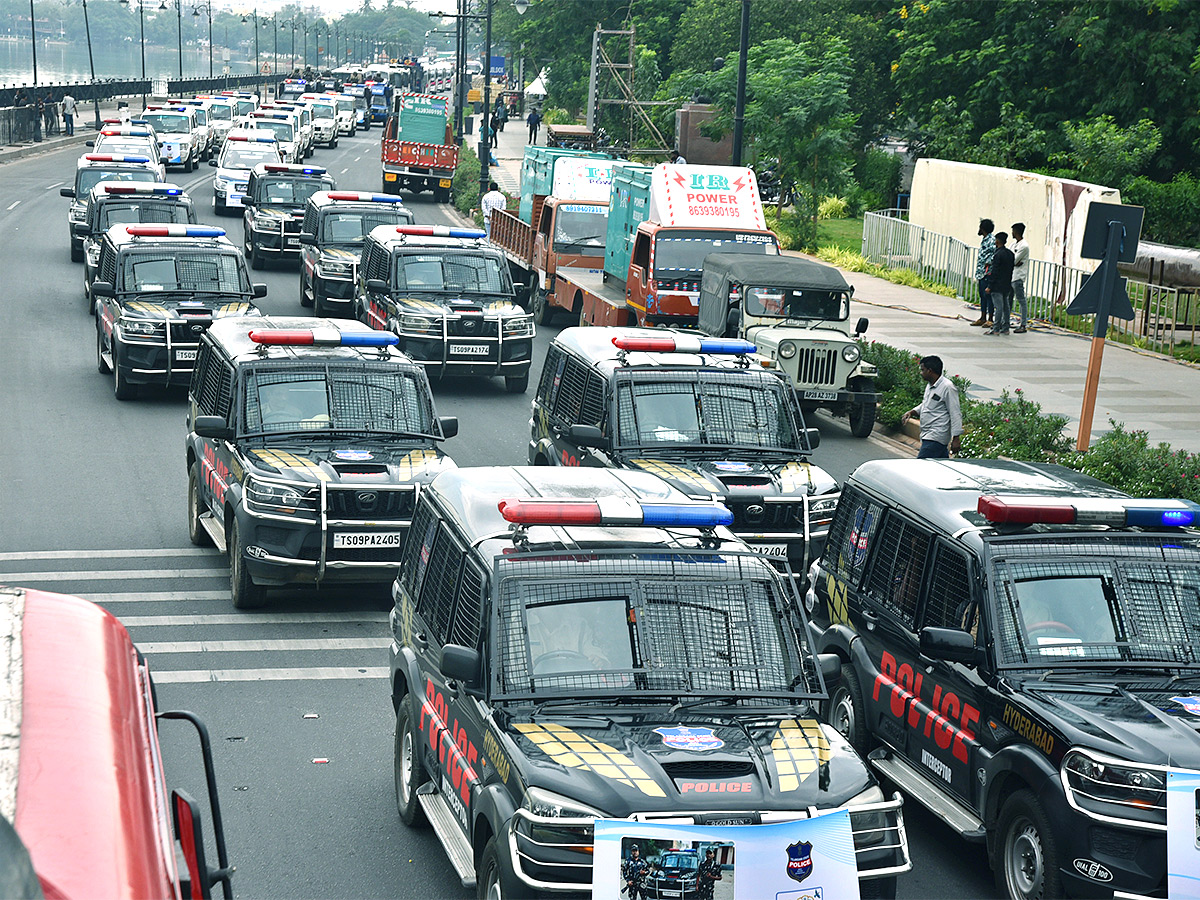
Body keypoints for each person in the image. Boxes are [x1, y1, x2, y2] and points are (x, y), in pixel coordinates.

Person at [901, 355, 963, 459]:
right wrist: (912, 412)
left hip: (936, 436)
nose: (921, 373)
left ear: (930, 371)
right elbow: (926, 405)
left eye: (922, 370)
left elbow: (955, 413)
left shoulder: (948, 387)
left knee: (922, 465)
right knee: (939, 468)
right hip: (927, 435)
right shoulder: (930, 385)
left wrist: (956, 438)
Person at [986, 231, 1015, 335]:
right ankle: (1006, 327)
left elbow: (995, 271)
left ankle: (996, 328)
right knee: (1006, 306)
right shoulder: (1010, 254)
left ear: (997, 241)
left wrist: (990, 286)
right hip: (1007, 284)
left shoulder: (998, 254)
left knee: (998, 307)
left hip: (997, 285)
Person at [970, 218, 995, 328]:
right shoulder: (985, 240)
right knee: (982, 296)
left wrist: (988, 263)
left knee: (988, 296)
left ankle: (990, 319)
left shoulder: (992, 240)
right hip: (981, 272)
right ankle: (982, 317)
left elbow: (995, 253)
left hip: (987, 273)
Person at [1010, 222, 1029, 332]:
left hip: (1018, 277)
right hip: (1011, 275)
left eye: (1013, 231)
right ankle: (1005, 321)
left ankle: (1023, 324)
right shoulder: (1013, 245)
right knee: (1008, 300)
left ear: (1016, 232)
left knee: (1021, 300)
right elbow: (1009, 258)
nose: (1012, 233)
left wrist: (1012, 262)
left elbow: (1014, 260)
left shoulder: (1024, 246)